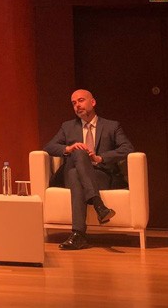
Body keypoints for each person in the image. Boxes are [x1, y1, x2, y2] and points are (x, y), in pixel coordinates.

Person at [43, 89, 134, 250]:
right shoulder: (67, 126)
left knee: (74, 175)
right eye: (74, 103)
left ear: (92, 102)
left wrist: (100, 158)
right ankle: (99, 205)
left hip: (100, 174)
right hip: (75, 172)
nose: (77, 105)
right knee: (78, 152)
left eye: (81, 100)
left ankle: (79, 235)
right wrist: (69, 148)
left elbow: (127, 148)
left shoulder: (111, 126)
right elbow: (49, 147)